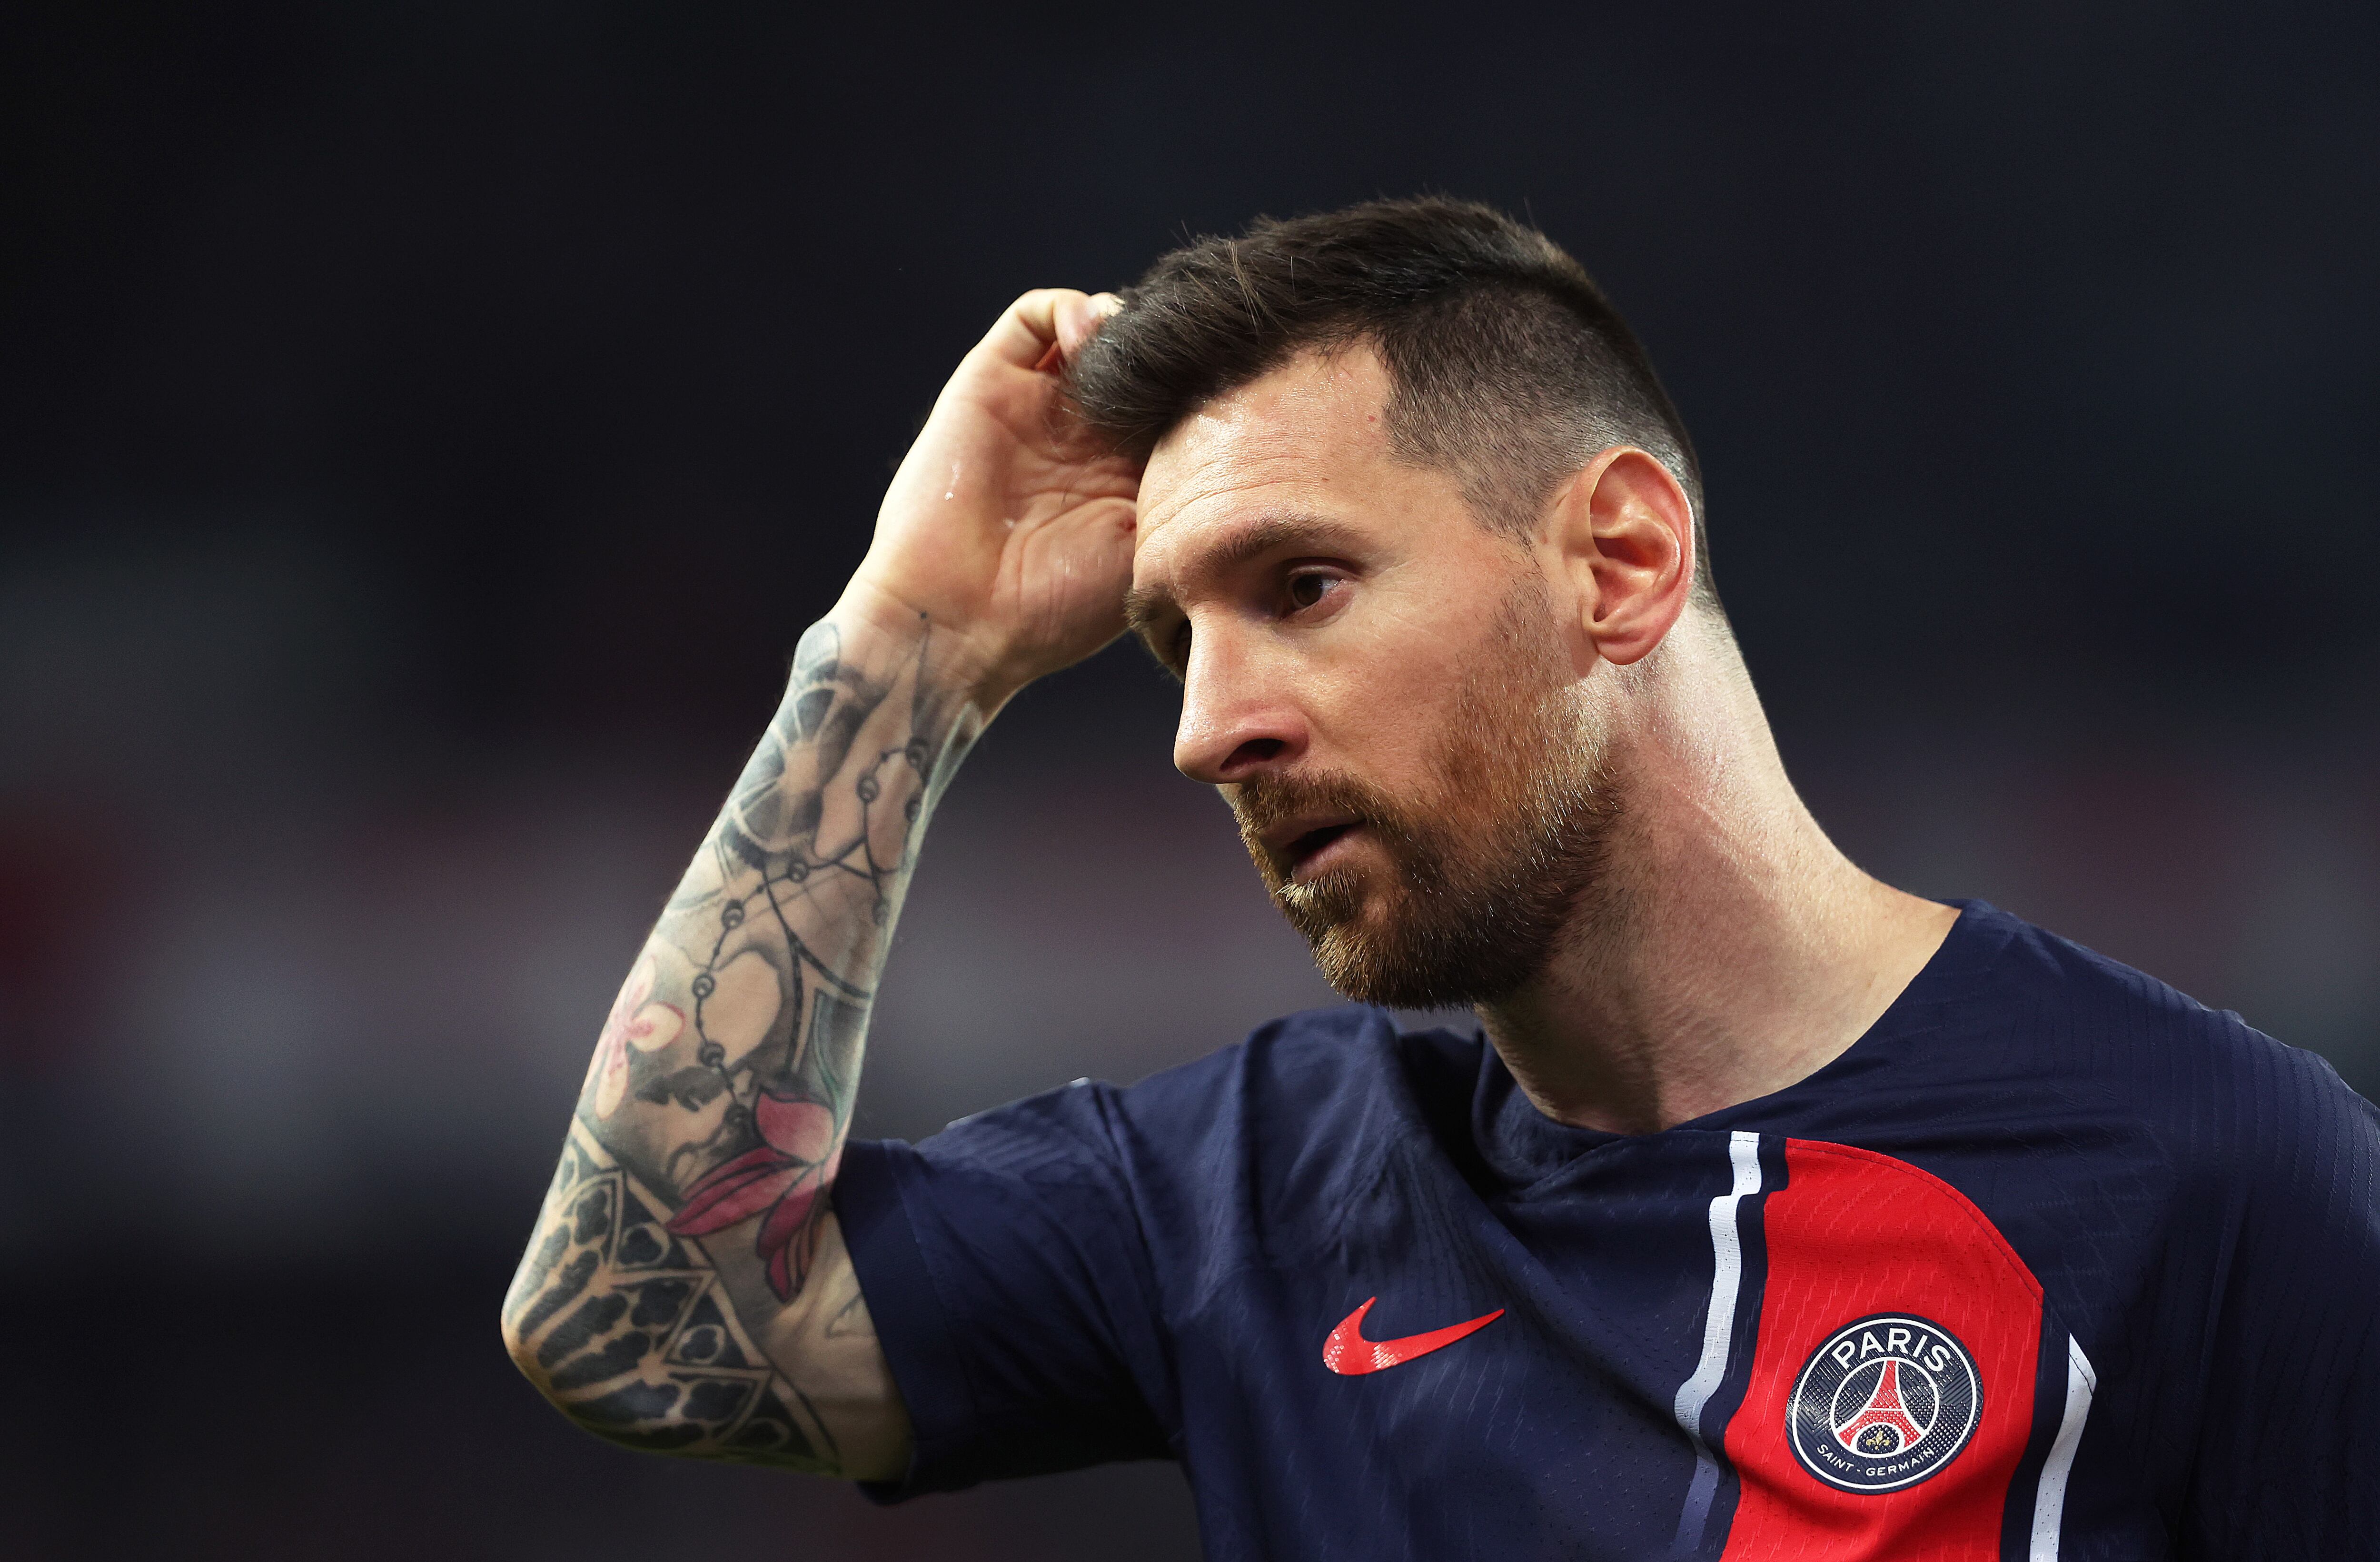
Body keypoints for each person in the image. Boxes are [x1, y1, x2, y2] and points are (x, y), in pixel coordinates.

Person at [500, 199, 2378, 1559]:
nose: (1205, 727)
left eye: (1298, 589)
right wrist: (907, 644)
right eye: (1170, 642)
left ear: (1620, 558)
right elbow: (639, 1319)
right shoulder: (1232, 1201)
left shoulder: (2208, 1168)